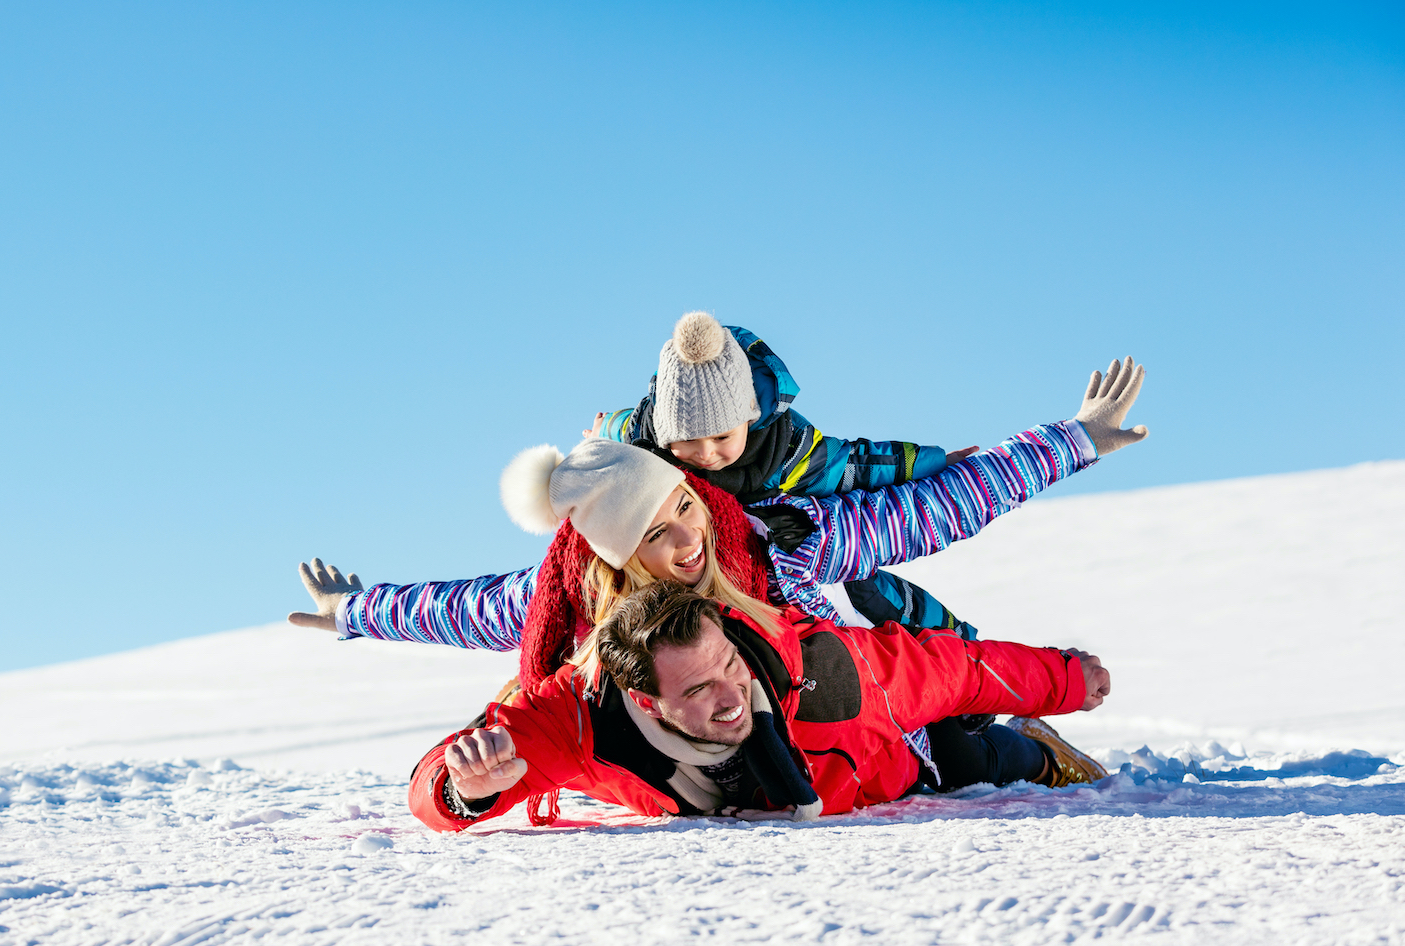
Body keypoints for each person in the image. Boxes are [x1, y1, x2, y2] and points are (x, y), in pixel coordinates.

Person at [288, 355, 1149, 693]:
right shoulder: (580, 593)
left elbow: (935, 505)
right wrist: (355, 612)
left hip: (850, 723)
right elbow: (461, 607)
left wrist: (1073, 441)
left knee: (944, 701)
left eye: (685, 507)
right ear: (616, 555)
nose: (686, 537)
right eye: (654, 533)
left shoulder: (787, 539)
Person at [409, 580, 1113, 833]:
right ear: (645, 705)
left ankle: (1040, 749)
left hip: (896, 765)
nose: (728, 698)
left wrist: (1070, 680)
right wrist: (461, 788)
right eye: (695, 691)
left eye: (727, 667)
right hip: (802, 790)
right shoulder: (581, 720)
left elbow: (959, 667)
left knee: (978, 757)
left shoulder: (833, 675)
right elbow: (438, 785)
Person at [589, 310, 986, 629]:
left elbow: (854, 464)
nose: (706, 454)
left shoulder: (785, 449)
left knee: (873, 596)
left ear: (749, 417)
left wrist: (930, 463)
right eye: (689, 441)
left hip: (798, 550)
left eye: (722, 438)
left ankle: (961, 645)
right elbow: (614, 429)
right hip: (718, 573)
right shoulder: (644, 435)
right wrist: (595, 437)